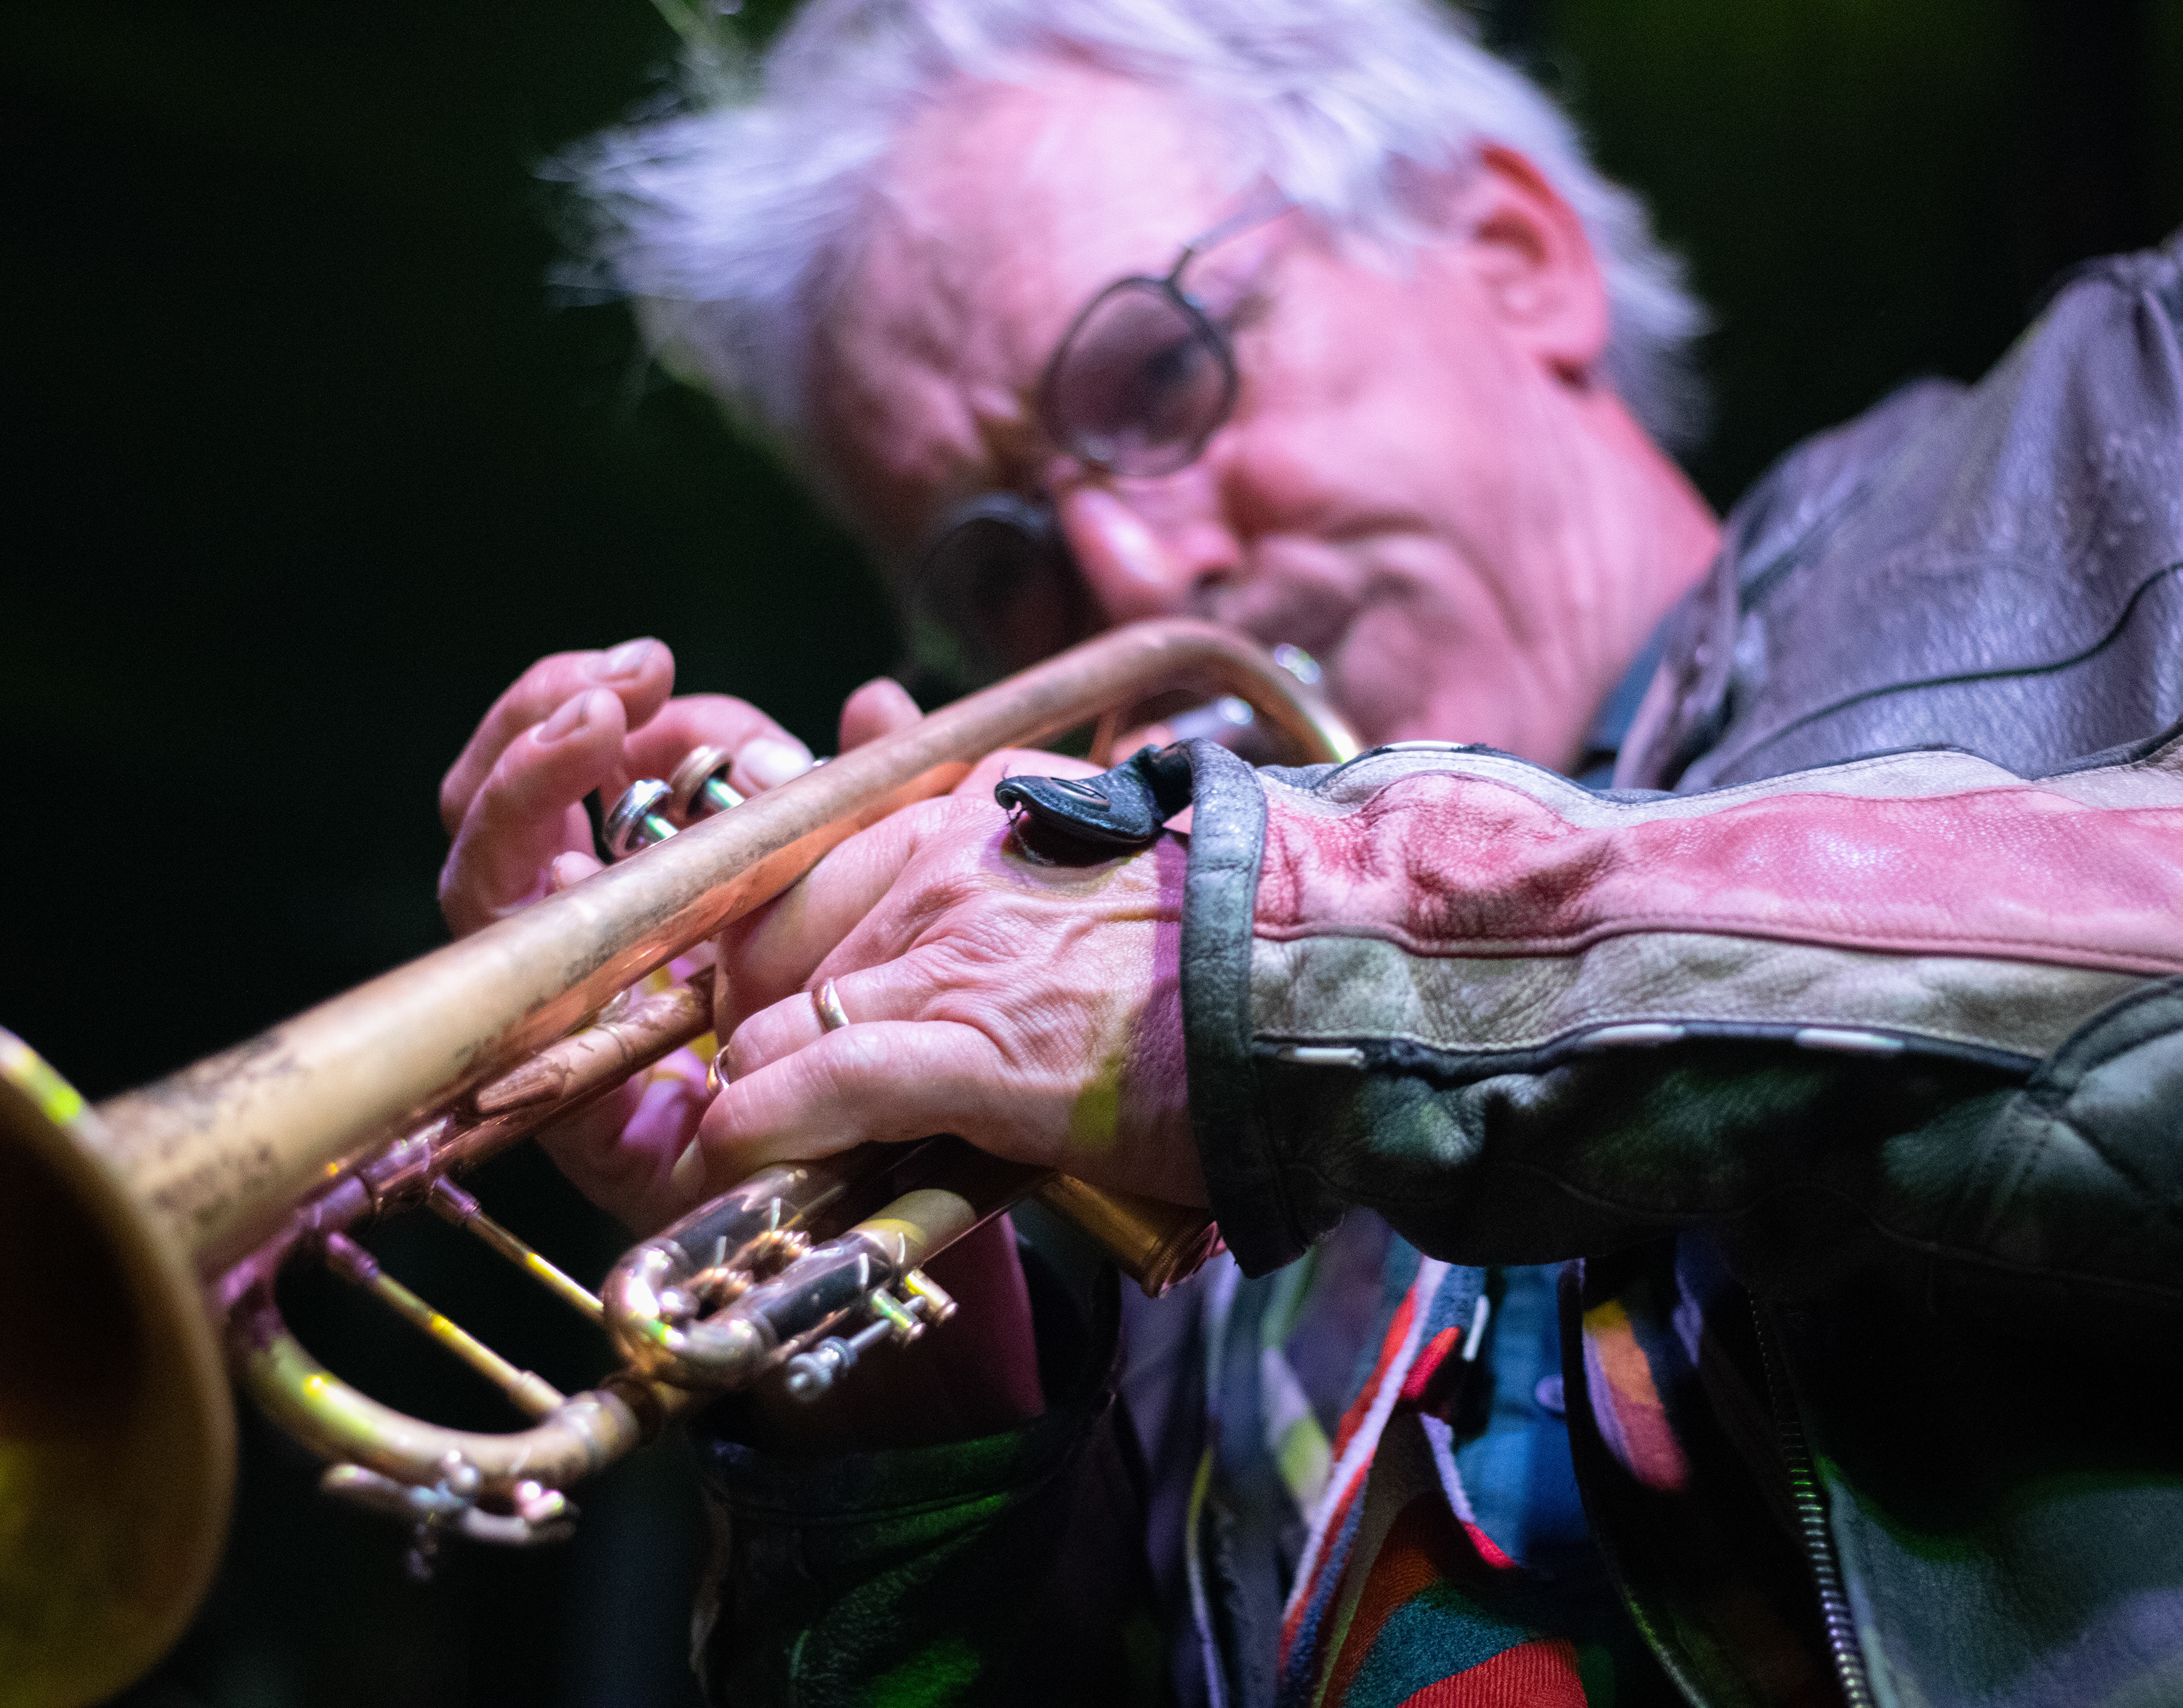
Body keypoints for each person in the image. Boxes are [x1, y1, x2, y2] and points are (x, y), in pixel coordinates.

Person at [437, 2, 2183, 1703]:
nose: (1126, 572)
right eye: (998, 564)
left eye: (1155, 380)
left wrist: (1272, 961)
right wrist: (884, 1363)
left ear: (1514, 252)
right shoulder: (1155, 1227)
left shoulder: (2124, 404)